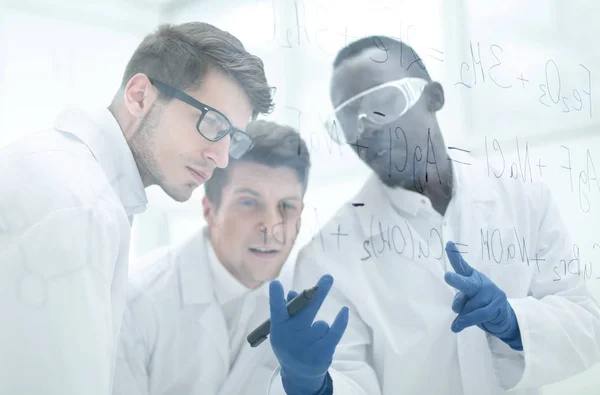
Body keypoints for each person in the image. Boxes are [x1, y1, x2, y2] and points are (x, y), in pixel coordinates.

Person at [266, 36, 600, 395]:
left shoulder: (524, 198)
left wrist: (513, 323)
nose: (369, 129)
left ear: (433, 96)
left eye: (383, 103)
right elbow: (346, 377)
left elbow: (587, 324)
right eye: (350, 120)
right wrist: (311, 384)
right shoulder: (327, 257)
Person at [0, 22, 273, 395]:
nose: (222, 158)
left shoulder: (74, 179)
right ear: (140, 95)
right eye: (212, 123)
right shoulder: (79, 204)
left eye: (233, 139)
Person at [112, 120, 311, 395]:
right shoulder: (136, 302)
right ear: (209, 210)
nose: (271, 226)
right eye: (248, 202)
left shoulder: (313, 300)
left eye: (287, 206)